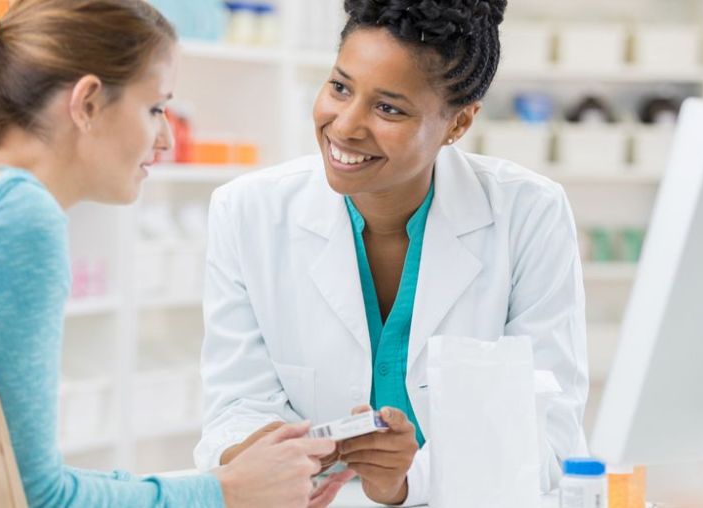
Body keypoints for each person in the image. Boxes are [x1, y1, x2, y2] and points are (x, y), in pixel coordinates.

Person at [0, 1, 353, 507]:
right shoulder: (15, 213)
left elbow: (8, 468)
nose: (165, 138)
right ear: (89, 102)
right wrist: (225, 495)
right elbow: (37, 497)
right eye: (156, 108)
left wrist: (229, 489)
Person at [195, 0, 590, 504]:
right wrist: (269, 455)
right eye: (340, 87)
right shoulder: (247, 211)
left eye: (389, 108)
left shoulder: (529, 214)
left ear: (458, 124)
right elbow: (234, 405)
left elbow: (548, 429)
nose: (345, 126)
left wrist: (405, 481)